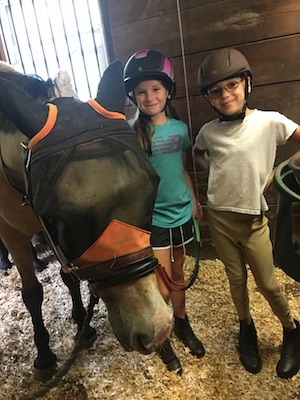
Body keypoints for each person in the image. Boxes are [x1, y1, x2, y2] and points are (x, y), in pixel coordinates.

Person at [192, 47, 300, 379]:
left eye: (232, 85)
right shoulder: (209, 131)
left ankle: (292, 329)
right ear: (209, 98)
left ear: (247, 84)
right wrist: (215, 173)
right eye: (216, 91)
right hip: (220, 218)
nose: (225, 95)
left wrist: (279, 169)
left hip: (254, 220)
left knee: (268, 283)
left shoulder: (270, 121)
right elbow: (198, 154)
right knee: (235, 280)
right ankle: (246, 329)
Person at [123, 49, 205, 375]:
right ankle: (165, 335)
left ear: (167, 91)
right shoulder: (131, 133)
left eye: (155, 89)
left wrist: (195, 200)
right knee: (160, 285)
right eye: (141, 91)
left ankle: (182, 323)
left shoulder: (180, 129)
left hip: (182, 213)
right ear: (134, 96)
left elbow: (183, 168)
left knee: (179, 275)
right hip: (153, 220)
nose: (149, 97)